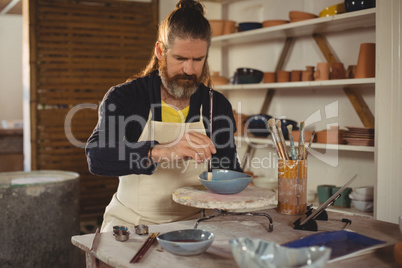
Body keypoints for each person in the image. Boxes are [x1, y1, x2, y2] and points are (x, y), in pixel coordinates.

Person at [85, 0, 242, 232]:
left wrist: (237, 186)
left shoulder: (215, 105)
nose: (189, 70)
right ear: (160, 51)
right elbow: (97, 156)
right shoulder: (127, 97)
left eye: (198, 60)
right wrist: (163, 151)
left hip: (195, 226)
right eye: (180, 59)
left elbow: (227, 168)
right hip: (133, 225)